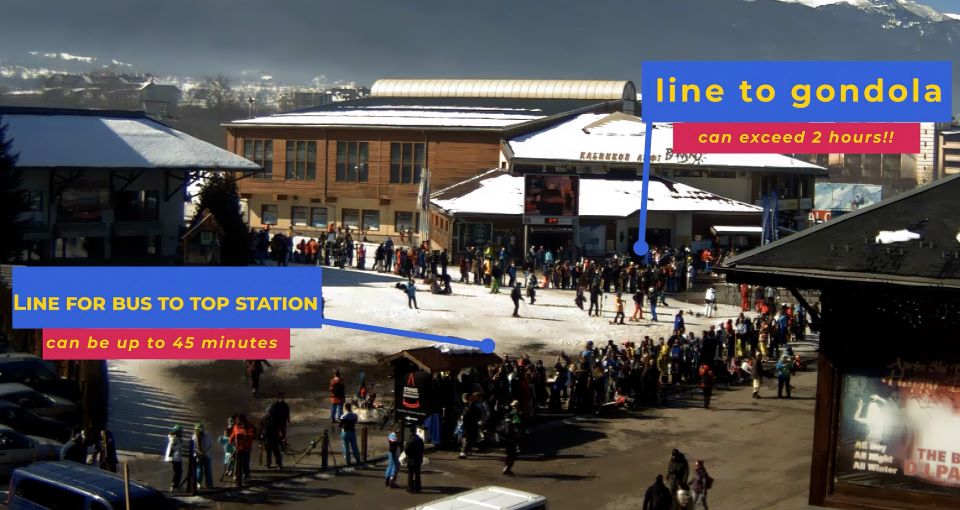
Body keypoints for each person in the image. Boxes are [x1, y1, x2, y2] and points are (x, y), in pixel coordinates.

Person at [230, 414, 256, 487]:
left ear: (243, 420)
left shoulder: (249, 426)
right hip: (238, 447)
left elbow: (252, 435)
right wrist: (230, 440)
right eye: (238, 420)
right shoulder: (236, 426)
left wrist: (245, 437)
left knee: (245, 462)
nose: (239, 421)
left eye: (240, 420)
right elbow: (233, 434)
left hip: (246, 447)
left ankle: (246, 476)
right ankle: (237, 476)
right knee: (237, 462)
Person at [500, 401, 522, 475]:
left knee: (510, 454)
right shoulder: (515, 414)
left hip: (505, 438)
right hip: (510, 438)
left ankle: (507, 467)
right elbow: (517, 426)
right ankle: (507, 468)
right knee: (512, 454)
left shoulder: (508, 414)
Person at [404, 426, 425, 493]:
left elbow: (406, 450)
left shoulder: (410, 440)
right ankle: (417, 488)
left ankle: (410, 488)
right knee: (417, 474)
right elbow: (422, 450)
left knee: (410, 474)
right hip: (418, 458)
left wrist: (408, 455)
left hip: (411, 458)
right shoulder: (420, 440)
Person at [193, 423, 214, 490]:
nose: (199, 431)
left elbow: (210, 445)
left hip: (207, 455)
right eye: (197, 430)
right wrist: (199, 454)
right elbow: (194, 448)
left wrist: (205, 452)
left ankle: (209, 485)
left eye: (200, 429)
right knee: (199, 470)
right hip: (199, 456)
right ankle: (198, 483)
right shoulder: (194, 437)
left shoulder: (207, 436)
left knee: (208, 470)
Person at [164, 425, 184, 491]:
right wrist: (179, 445)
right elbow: (172, 448)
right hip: (175, 457)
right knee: (178, 472)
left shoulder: (175, 437)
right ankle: (174, 486)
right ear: (177, 432)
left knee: (178, 471)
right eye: (180, 432)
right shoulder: (174, 438)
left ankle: (175, 485)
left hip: (176, 457)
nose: (181, 433)